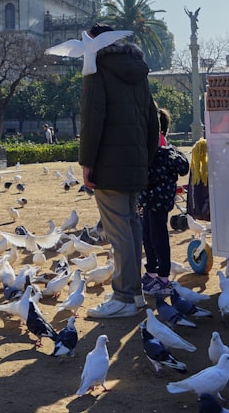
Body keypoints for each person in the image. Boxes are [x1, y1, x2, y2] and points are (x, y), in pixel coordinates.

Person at [79, 24, 159, 319]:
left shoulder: (96, 67)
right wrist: (145, 159)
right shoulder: (138, 70)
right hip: (135, 160)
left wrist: (87, 163)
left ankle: (124, 296)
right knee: (131, 227)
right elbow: (153, 120)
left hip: (108, 163)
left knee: (118, 231)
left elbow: (92, 117)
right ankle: (135, 293)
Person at [140, 107, 189, 297]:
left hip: (156, 200)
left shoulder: (156, 141)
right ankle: (153, 273)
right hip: (151, 199)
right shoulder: (155, 139)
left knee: (157, 238)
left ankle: (162, 278)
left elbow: (151, 172)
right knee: (148, 236)